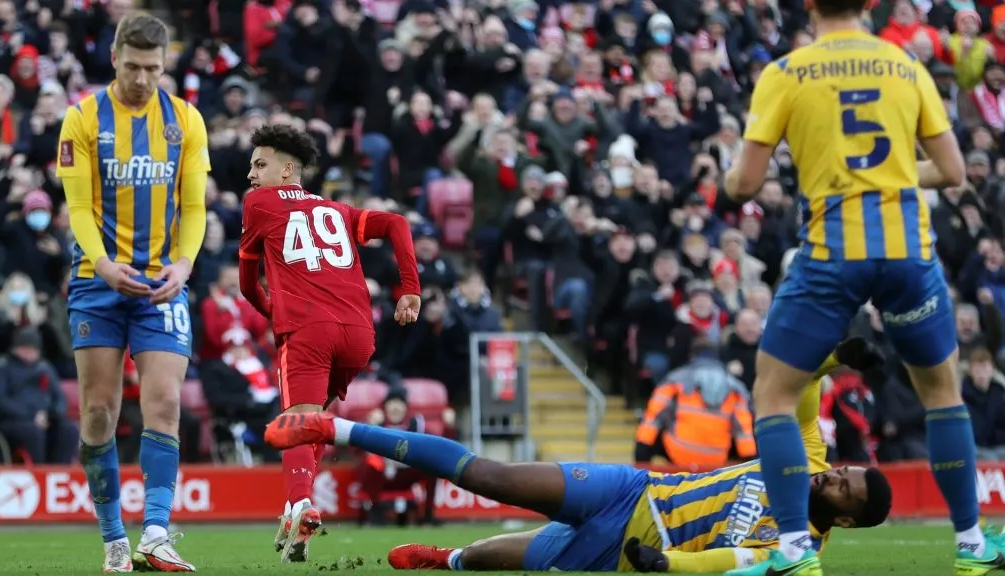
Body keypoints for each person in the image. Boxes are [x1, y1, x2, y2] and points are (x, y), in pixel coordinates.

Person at [722, 0, 1005, 574]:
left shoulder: (786, 72)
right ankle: (972, 545)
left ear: (807, 4)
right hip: (907, 252)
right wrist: (890, 176)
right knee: (943, 395)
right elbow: (951, 172)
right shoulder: (907, 67)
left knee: (774, 397)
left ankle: (795, 553)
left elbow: (744, 184)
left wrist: (737, 174)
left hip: (832, 253)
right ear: (870, 5)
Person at [263, 338, 893, 573]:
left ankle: (447, 559)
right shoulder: (804, 460)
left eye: (844, 487)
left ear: (841, 520)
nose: (835, 474)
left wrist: (665, 567)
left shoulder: (795, 551)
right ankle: (334, 427)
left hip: (627, 554)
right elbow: (800, 399)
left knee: (494, 559)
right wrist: (835, 362)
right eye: (844, 469)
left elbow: (730, 561)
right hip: (632, 490)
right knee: (494, 475)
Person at [56, 11, 209, 574]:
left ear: (164, 63)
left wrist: (185, 263)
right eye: (133, 65)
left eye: (153, 67)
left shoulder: (186, 120)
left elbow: (192, 207)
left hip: (162, 283)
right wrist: (101, 263)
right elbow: (76, 208)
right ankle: (114, 536)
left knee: (165, 402)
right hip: (98, 281)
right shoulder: (81, 119)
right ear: (115, 56)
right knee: (98, 410)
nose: (143, 78)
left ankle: (157, 532)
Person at [237, 124, 422, 563]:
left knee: (298, 421)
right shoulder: (337, 210)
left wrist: (274, 312)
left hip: (309, 330)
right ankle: (294, 513)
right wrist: (410, 287)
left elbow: (248, 284)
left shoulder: (258, 203)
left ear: (287, 170)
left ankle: (300, 504)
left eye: (259, 165)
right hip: (360, 335)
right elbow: (396, 222)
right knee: (315, 420)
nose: (251, 175)